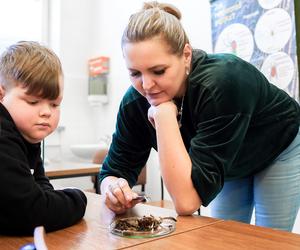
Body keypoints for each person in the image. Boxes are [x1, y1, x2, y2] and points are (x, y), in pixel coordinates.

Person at [99, 1, 300, 232]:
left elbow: (186, 202)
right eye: (135, 73)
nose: (146, 85)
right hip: (229, 159)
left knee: (270, 239)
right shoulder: (134, 102)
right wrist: (112, 188)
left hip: (278, 146)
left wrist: (164, 114)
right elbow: (112, 170)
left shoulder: (222, 83)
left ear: (186, 55)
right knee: (226, 237)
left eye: (158, 71)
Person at [0, 41, 87, 235]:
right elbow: (31, 212)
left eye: (55, 104)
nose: (46, 112)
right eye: (33, 101)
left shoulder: (26, 135)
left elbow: (40, 186)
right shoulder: (3, 137)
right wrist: (79, 198)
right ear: (1, 96)